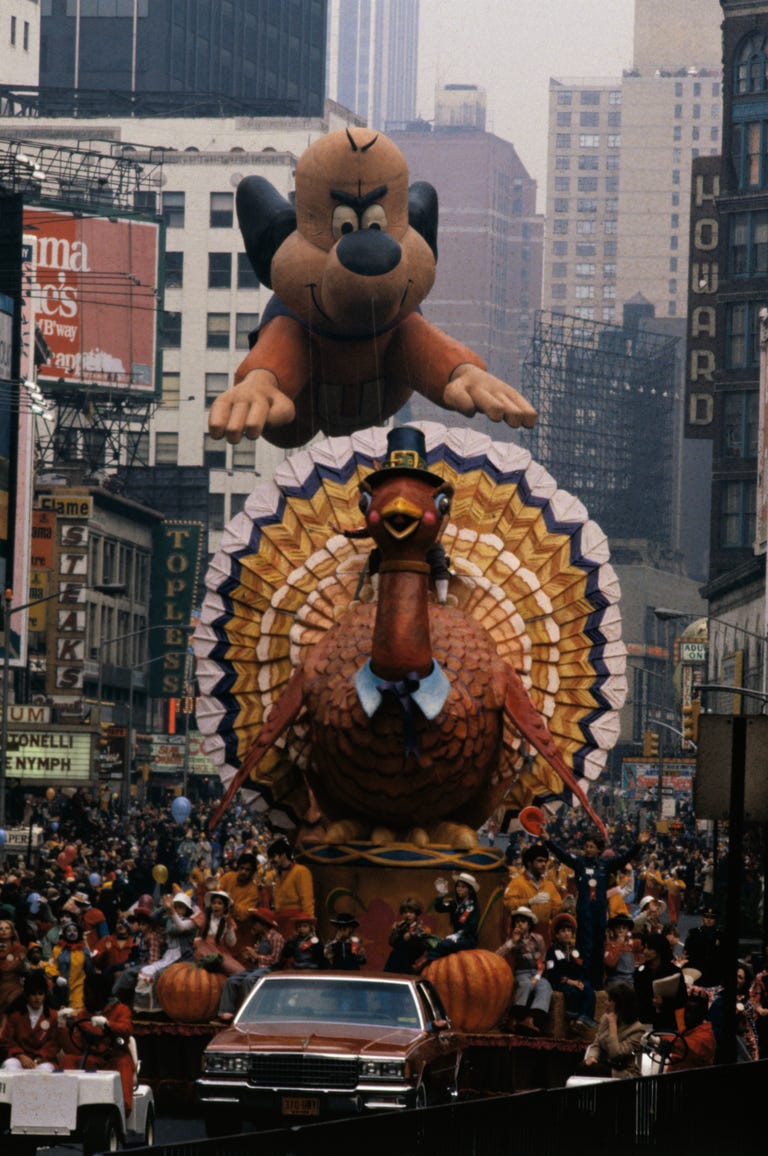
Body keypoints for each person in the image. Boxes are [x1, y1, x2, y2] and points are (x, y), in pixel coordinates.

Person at [545, 827, 651, 990]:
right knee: (584, 947)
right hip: (584, 912)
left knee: (598, 947)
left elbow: (624, 859)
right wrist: (547, 841)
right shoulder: (579, 863)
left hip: (600, 913)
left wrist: (638, 844)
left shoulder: (606, 865)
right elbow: (562, 855)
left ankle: (596, 985)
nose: (588, 849)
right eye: (586, 846)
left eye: (592, 847)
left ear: (599, 849)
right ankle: (583, 981)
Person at [60, 974, 135, 1112]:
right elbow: (74, 1049)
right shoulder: (83, 1014)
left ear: (101, 994)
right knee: (69, 1060)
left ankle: (123, 1109)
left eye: (88, 994)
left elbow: (126, 1031)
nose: (84, 998)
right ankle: (63, 1103)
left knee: (124, 1063)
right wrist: (63, 1026)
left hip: (114, 1058)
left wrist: (108, 1025)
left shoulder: (121, 1010)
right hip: (92, 1059)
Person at [217, 907, 286, 1022]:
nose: (253, 925)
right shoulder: (259, 938)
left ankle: (248, 1013)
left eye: (255, 923)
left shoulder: (276, 937)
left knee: (249, 980)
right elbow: (257, 959)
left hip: (270, 970)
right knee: (232, 980)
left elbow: (276, 959)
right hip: (257, 968)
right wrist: (250, 957)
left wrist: (256, 956)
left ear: (263, 924)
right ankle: (226, 1012)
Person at [497, 906, 552, 1035]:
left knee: (545, 986)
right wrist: (512, 941)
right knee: (525, 984)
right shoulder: (513, 940)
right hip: (521, 973)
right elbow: (498, 954)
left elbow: (542, 960)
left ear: (529, 924)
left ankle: (531, 1019)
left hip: (536, 972)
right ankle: (513, 1019)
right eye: (517, 921)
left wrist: (537, 977)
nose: (519, 924)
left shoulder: (538, 939)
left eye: (523, 921)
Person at [574, 983, 645, 1079]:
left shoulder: (637, 1029)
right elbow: (596, 1043)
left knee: (590, 1070)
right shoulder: (605, 1018)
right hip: (603, 1064)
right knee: (584, 1066)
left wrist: (613, 1025)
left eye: (609, 1000)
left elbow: (616, 1055)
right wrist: (592, 1057)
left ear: (620, 1004)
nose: (605, 1003)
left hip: (623, 1072)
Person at [545, 912, 596, 1034]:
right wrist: (570, 981)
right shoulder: (552, 951)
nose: (567, 933)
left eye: (569, 930)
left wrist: (579, 982)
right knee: (571, 992)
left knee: (589, 990)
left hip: (575, 980)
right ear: (557, 935)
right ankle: (572, 1019)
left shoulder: (575, 951)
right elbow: (551, 971)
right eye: (563, 931)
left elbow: (581, 968)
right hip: (560, 982)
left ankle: (582, 1020)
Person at [0, 970, 60, 1071]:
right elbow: (7, 1041)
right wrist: (20, 1055)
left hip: (44, 1060)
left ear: (45, 995)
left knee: (44, 1071)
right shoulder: (15, 1015)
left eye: (40, 994)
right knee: (10, 1066)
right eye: (33, 994)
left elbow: (54, 1043)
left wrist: (39, 1057)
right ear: (27, 995)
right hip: (19, 1058)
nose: (37, 998)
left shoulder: (53, 1016)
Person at [503, 843, 562, 945]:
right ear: (529, 863)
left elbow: (556, 910)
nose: (544, 864)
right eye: (539, 861)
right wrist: (529, 901)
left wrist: (564, 907)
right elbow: (508, 904)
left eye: (545, 861)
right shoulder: (517, 882)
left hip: (544, 935)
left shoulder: (549, 885)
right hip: (521, 935)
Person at [634, 932, 686, 1032]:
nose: (645, 951)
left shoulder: (674, 972)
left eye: (649, 948)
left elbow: (682, 1000)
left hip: (666, 1023)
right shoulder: (640, 971)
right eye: (644, 948)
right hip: (644, 1022)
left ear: (659, 950)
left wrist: (664, 1003)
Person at [267, 836, 315, 939]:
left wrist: (308, 926)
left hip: (295, 923)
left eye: (273, 856)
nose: (271, 861)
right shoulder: (278, 875)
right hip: (280, 922)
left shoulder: (301, 871)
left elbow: (307, 901)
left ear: (283, 854)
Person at [427, 872, 480, 959]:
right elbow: (439, 908)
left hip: (468, 940)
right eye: (458, 886)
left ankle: (424, 962)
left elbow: (471, 926)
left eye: (463, 887)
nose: (459, 889)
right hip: (455, 938)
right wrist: (441, 894)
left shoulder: (473, 907)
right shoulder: (455, 904)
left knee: (445, 944)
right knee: (431, 941)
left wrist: (457, 935)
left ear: (470, 890)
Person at [44, 919, 94, 1010]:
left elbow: (89, 970)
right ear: (64, 933)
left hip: (78, 987)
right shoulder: (57, 948)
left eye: (75, 931)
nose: (72, 933)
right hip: (59, 987)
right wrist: (56, 977)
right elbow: (50, 965)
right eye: (69, 931)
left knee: (75, 1012)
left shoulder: (84, 950)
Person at [193, 890, 244, 976]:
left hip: (219, 952)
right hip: (204, 950)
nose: (216, 905)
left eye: (220, 903)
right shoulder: (204, 917)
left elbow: (231, 943)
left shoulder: (228, 921)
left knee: (240, 971)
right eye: (214, 903)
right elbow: (184, 926)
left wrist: (229, 926)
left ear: (225, 907)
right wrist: (173, 912)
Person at [667, 992, 716, 1071]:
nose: (687, 1015)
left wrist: (662, 1040)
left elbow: (687, 1045)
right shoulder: (687, 1030)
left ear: (702, 1014)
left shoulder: (706, 1037)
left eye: (692, 1012)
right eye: (686, 1011)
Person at [384, 897, 431, 974]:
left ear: (416, 913)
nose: (408, 915)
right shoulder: (400, 925)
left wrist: (411, 934)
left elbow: (424, 933)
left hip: (408, 964)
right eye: (405, 912)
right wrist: (394, 932)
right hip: (393, 962)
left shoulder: (420, 926)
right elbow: (391, 943)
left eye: (411, 912)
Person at [683, 905, 727, 987]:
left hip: (713, 974)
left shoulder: (721, 936)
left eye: (712, 917)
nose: (709, 919)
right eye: (706, 916)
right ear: (703, 918)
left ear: (716, 919)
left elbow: (723, 958)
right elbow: (686, 953)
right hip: (696, 972)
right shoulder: (694, 933)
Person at [603, 913, 638, 990]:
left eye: (624, 927)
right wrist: (618, 944)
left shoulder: (632, 945)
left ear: (628, 930)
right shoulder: (609, 945)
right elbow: (610, 963)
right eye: (618, 927)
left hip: (631, 982)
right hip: (615, 982)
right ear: (613, 929)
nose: (621, 930)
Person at [0, 918, 27, 1013]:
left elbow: (22, 969)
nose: (3, 931)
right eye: (1, 929)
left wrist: (18, 961)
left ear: (12, 931)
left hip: (14, 986)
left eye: (7, 928)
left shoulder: (19, 949)